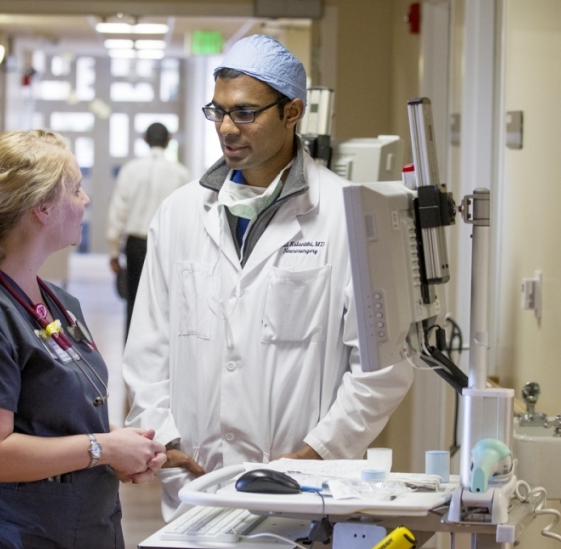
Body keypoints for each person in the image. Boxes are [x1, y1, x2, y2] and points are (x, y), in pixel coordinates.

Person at [122, 35, 414, 520]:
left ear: (292, 112)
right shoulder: (179, 214)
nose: (226, 129)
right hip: (197, 491)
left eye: (244, 113)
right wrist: (164, 441)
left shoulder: (348, 216)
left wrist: (318, 454)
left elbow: (383, 369)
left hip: (302, 496)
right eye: (217, 112)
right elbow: (148, 348)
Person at [0, 130, 167, 549]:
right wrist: (103, 447)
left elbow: (51, 415)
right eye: (75, 189)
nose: (86, 200)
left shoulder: (55, 301)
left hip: (80, 532)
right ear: (42, 207)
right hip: (13, 538)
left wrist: (124, 448)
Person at [107, 122, 191, 337]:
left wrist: (114, 250)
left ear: (144, 139)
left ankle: (131, 354)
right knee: (165, 302)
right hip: (168, 244)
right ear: (168, 140)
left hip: (135, 245)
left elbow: (118, 210)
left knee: (133, 301)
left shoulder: (130, 170)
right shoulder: (181, 173)